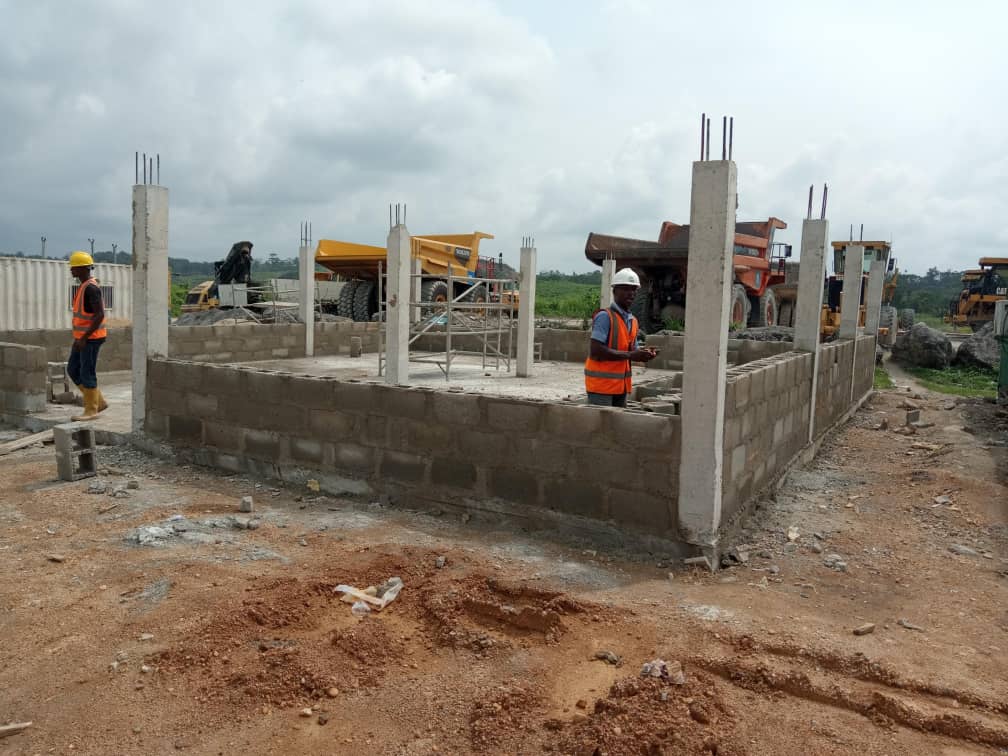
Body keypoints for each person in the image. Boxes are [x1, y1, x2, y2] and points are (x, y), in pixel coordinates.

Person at [584, 268, 657, 407]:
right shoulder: (605, 317)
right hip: (601, 387)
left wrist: (643, 354)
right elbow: (596, 351)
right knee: (603, 421)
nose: (631, 293)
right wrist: (631, 355)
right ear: (615, 291)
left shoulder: (633, 321)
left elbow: (632, 350)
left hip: (621, 387)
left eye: (634, 290)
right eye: (625, 289)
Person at [66, 251, 108, 421]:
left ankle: (91, 410)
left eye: (74, 267)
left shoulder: (91, 288)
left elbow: (99, 315)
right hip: (82, 338)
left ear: (83, 268)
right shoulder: (84, 286)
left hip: (91, 338)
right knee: (72, 369)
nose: (71, 270)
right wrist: (80, 338)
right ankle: (99, 402)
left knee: (87, 372)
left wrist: (84, 338)